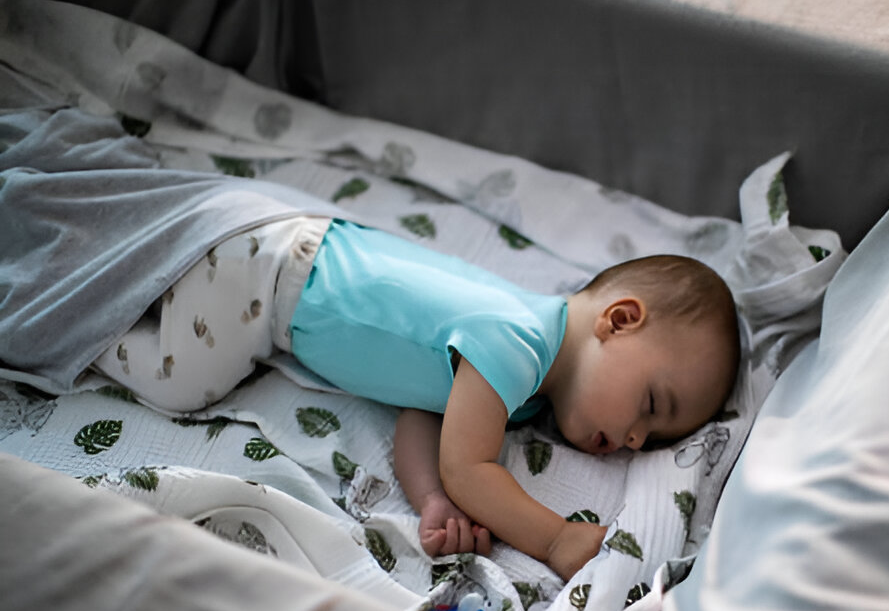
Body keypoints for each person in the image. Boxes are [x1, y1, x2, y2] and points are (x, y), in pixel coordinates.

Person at [94, 217, 741, 580]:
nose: (635, 441)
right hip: (263, 277)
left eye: (654, 441)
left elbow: (422, 411)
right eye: (652, 407)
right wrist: (554, 541)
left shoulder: (526, 384)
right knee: (179, 382)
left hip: (285, 257)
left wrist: (431, 498)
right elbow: (471, 467)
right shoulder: (516, 342)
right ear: (619, 320)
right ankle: (91, 335)